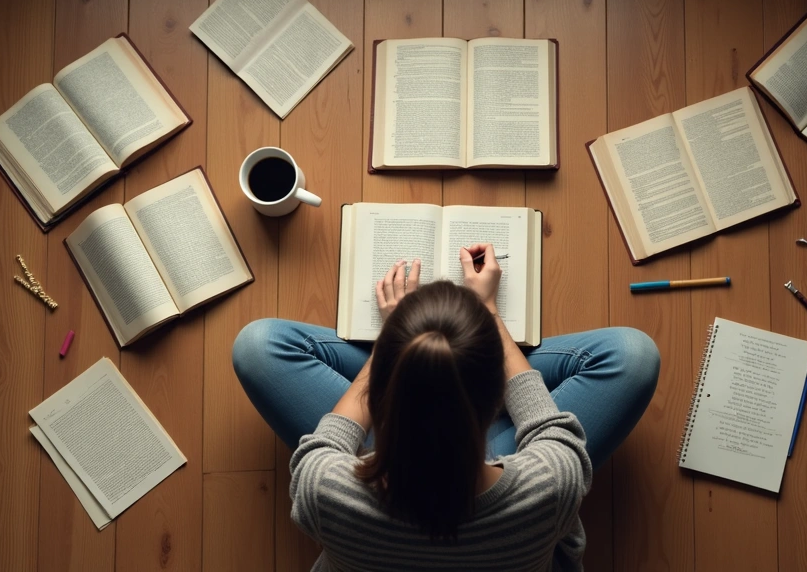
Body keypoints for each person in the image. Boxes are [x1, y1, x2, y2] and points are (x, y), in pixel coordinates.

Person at [233, 243, 659, 571]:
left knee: (256, 346)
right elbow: (547, 424)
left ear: (383, 393)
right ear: (498, 398)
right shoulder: (550, 485)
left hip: (393, 444)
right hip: (499, 461)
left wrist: (399, 349)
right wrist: (487, 312)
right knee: (634, 355)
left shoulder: (325, 489)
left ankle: (434, 365)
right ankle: (452, 364)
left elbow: (325, 443)